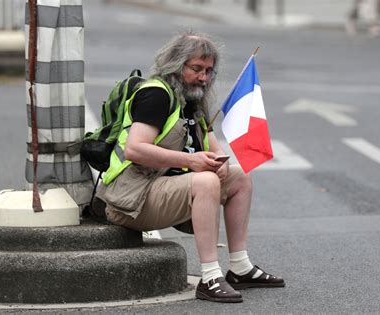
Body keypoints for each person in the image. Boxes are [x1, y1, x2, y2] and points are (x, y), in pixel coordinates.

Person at [95, 31, 284, 303]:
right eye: (197, 69)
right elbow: (135, 149)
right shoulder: (156, 95)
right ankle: (209, 277)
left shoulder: (193, 100)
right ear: (176, 64)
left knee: (239, 177)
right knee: (205, 181)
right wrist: (191, 161)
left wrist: (219, 164)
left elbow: (214, 148)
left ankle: (240, 268)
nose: (204, 77)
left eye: (209, 71)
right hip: (130, 200)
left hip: (163, 191)